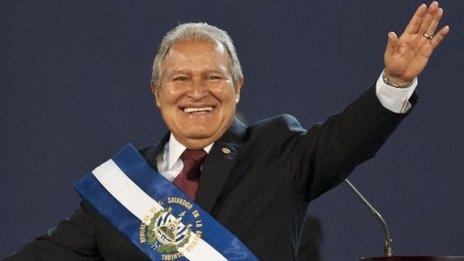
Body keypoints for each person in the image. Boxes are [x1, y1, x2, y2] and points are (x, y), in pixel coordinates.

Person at [6, 2, 449, 260]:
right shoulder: (120, 186)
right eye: (180, 79)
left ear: (237, 88)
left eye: (214, 77)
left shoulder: (277, 151)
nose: (197, 91)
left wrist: (394, 83)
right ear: (157, 92)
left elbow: (346, 138)